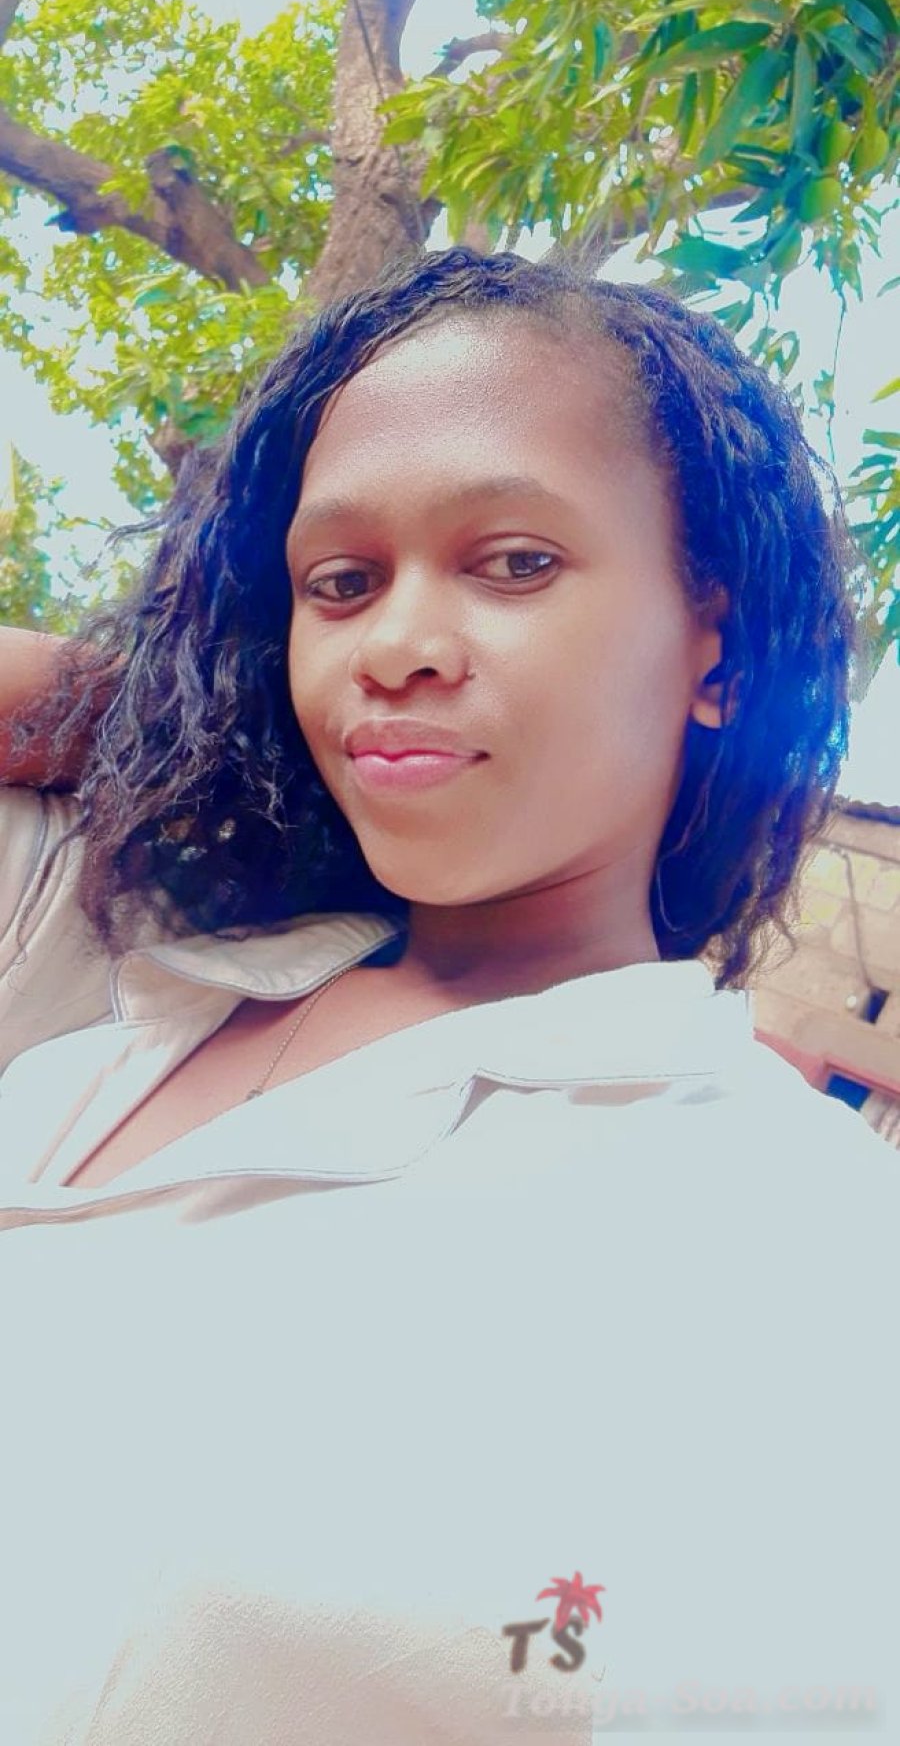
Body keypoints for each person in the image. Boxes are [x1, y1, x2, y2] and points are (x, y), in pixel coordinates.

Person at [0, 246, 895, 1743]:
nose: (395, 646)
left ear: (719, 650)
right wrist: (136, 707)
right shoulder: (111, 977)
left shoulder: (787, 1234)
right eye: (340, 584)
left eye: (515, 563)